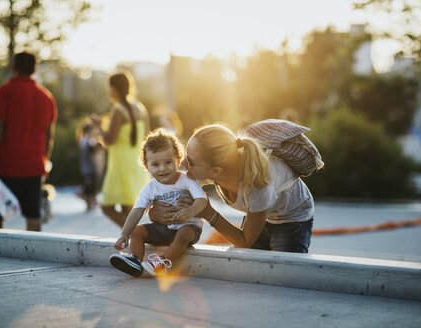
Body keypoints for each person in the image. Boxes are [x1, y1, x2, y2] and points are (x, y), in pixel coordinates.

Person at [150, 124, 315, 253]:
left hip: (291, 218)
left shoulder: (257, 184)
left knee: (282, 275)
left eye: (191, 162)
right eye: (186, 155)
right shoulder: (219, 168)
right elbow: (169, 195)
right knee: (250, 267)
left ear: (216, 171)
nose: (183, 164)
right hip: (260, 212)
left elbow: (244, 241)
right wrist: (155, 212)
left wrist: (208, 213)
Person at [109, 128, 207, 277]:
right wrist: (124, 234)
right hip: (163, 228)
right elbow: (137, 211)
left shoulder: (187, 180)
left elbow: (202, 200)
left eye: (168, 162)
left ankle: (161, 262)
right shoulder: (150, 188)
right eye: (155, 165)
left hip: (189, 228)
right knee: (138, 231)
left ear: (178, 160)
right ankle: (135, 260)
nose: (162, 168)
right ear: (146, 166)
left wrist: (189, 212)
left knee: (184, 233)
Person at [0, 51, 57, 232]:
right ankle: (33, 255)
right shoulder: (46, 96)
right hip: (34, 167)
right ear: (34, 69)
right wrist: (45, 162)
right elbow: (49, 136)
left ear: (13, 67)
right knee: (33, 217)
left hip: (5, 165)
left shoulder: (6, 90)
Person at [91, 72, 150, 228]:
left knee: (107, 207)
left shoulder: (118, 109)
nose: (108, 91)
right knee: (127, 209)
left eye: (109, 87)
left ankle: (136, 234)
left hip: (120, 166)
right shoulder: (140, 108)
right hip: (136, 164)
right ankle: (133, 242)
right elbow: (147, 136)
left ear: (115, 88)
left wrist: (98, 127)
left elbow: (109, 140)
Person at [77, 123, 103, 211]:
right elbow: (93, 157)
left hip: (85, 168)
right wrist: (98, 168)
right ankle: (90, 204)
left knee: (89, 187)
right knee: (90, 187)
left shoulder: (82, 141)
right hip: (90, 168)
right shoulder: (88, 142)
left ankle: (90, 204)